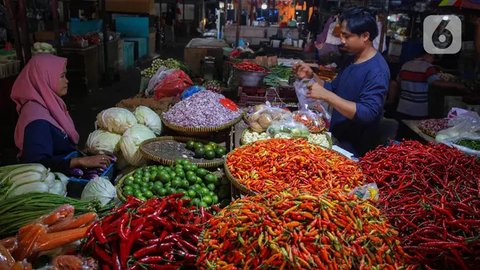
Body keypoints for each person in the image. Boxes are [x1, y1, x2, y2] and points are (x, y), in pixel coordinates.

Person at [294, 7, 390, 156]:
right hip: (339, 140)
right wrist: (312, 76)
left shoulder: (377, 70)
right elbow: (334, 88)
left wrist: (326, 96)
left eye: (347, 36)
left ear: (365, 36)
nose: (342, 41)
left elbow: (367, 113)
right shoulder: (352, 59)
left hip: (356, 150)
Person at [11, 54, 114, 174]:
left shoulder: (49, 103)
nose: (67, 80)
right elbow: (36, 164)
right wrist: (80, 161)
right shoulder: (37, 120)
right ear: (44, 79)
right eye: (62, 76)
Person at [389, 50, 464, 119]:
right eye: (433, 57)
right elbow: (436, 82)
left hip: (402, 108)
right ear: (429, 54)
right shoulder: (427, 67)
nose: (433, 60)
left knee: (402, 131)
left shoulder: (405, 65)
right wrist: (456, 85)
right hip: (418, 111)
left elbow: (398, 81)